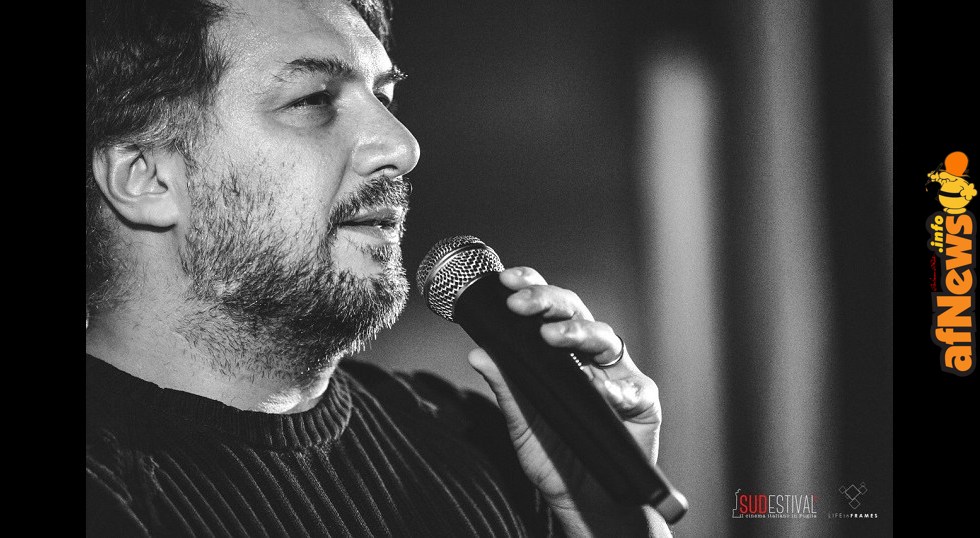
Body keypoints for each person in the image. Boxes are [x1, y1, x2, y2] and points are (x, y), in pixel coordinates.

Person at [85, 0, 671, 535]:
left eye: (384, 99)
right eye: (312, 100)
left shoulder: (478, 441)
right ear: (146, 178)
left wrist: (605, 519)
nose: (402, 147)